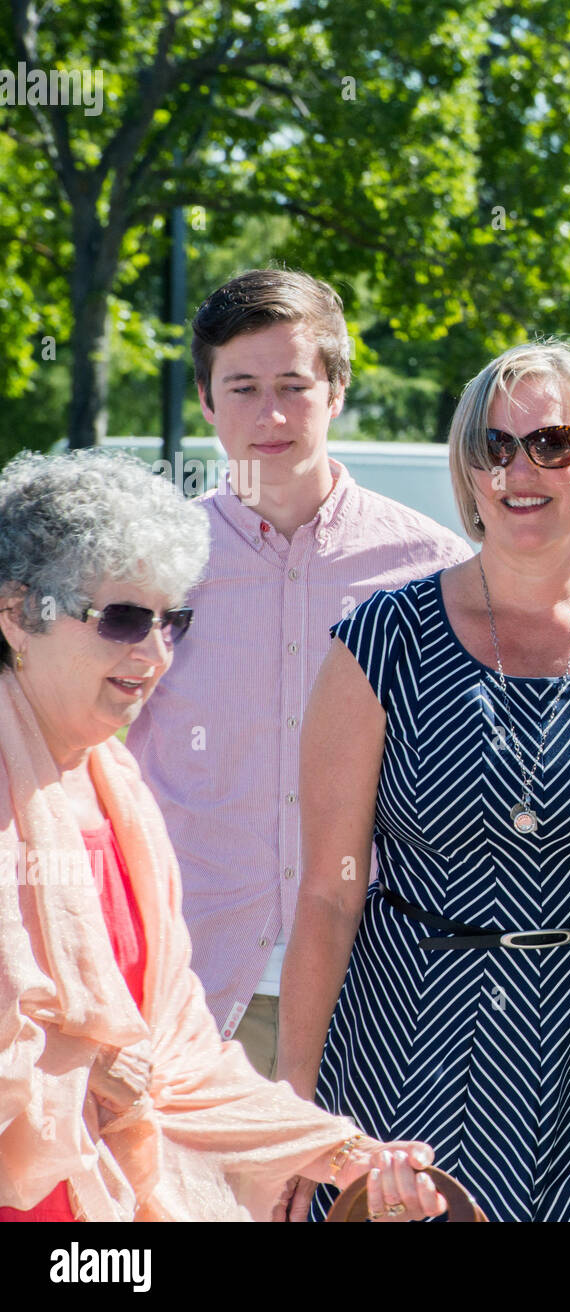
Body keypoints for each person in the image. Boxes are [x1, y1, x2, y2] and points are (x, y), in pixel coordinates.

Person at [278, 340, 570, 1222]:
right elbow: (331, 897)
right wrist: (294, 1099)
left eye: (552, 444)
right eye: (495, 447)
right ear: (469, 471)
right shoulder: (380, 644)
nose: (521, 470)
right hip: (417, 1041)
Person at [0, 450, 448, 1222]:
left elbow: (179, 1060)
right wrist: (89, 1067)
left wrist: (349, 1156)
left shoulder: (121, 795)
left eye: (172, 620)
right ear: (17, 615)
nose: (154, 653)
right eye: (123, 619)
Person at [126, 269, 470, 1077]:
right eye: (242, 387)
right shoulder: (147, 568)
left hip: (386, 993)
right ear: (206, 401)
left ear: (338, 389)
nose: (270, 415)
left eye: (293, 384)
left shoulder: (432, 571)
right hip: (190, 990)